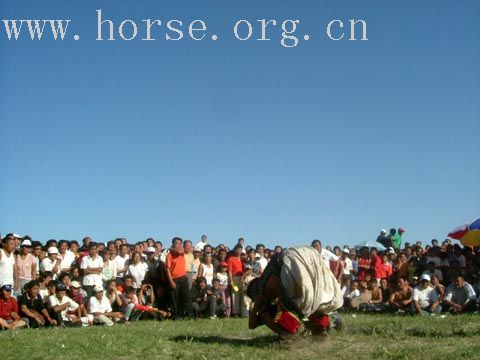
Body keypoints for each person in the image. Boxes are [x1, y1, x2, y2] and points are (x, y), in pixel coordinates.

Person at [247, 246, 343, 338]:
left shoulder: (261, 288)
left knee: (307, 302)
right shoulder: (267, 294)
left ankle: (287, 335)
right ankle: (328, 324)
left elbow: (252, 324)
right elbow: (252, 325)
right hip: (306, 254)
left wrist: (257, 306)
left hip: (289, 259)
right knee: (315, 299)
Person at [166, 237, 192, 319]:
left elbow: (181, 251)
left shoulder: (182, 252)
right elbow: (167, 269)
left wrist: (171, 248)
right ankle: (175, 316)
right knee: (175, 299)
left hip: (183, 278)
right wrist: (171, 281)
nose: (179, 245)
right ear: (173, 244)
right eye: (177, 243)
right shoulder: (169, 255)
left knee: (187, 297)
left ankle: (190, 315)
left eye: (180, 243)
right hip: (174, 279)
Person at [228, 244, 245, 317]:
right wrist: (231, 280)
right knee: (235, 295)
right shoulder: (231, 259)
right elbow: (229, 271)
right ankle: (235, 312)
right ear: (235, 250)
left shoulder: (242, 259)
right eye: (238, 249)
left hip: (243, 278)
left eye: (240, 250)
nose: (239, 251)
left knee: (243, 295)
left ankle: (242, 312)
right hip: (235, 278)